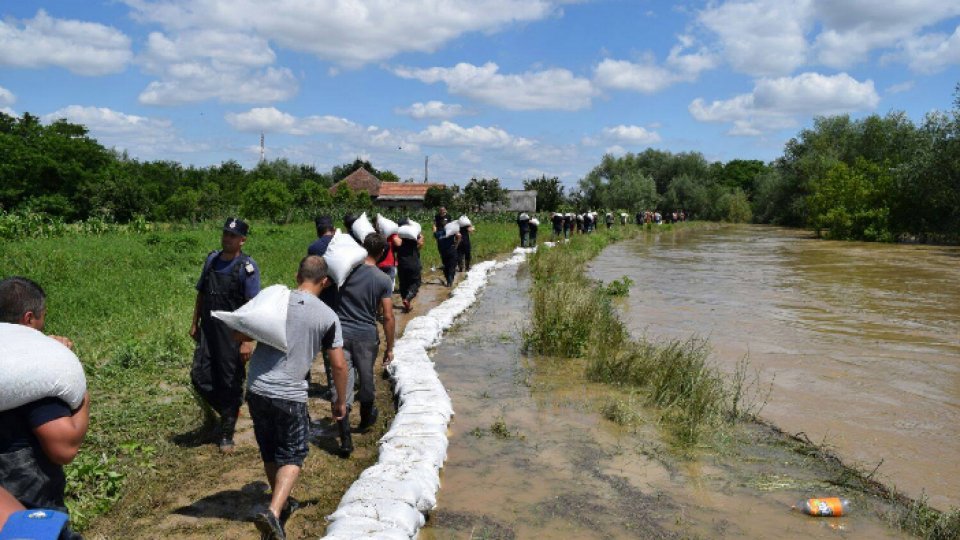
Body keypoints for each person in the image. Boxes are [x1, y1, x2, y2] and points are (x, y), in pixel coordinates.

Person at [244, 256, 348, 540]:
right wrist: (339, 401)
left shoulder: (275, 301)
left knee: (269, 447)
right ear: (325, 282)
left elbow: (243, 330)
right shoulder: (327, 316)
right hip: (288, 393)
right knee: (293, 452)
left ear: (296, 275)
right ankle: (274, 511)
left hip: (257, 388)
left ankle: (283, 502)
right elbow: (338, 364)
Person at [0, 277, 89, 538]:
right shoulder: (34, 369)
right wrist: (84, 395)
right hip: (27, 503)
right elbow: (64, 447)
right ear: (29, 318)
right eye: (42, 317)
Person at [189, 217, 260, 453]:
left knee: (230, 380)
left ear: (242, 240)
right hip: (209, 329)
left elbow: (252, 307)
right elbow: (201, 293)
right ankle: (230, 410)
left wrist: (246, 342)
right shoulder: (212, 260)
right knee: (199, 375)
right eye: (225, 234)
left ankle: (227, 433)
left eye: (232, 236)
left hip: (233, 334)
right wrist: (195, 323)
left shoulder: (246, 268)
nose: (227, 238)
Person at [333, 233, 395, 455]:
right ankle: (366, 420)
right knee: (366, 381)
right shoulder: (382, 279)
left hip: (340, 335)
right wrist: (389, 346)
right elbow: (387, 315)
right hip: (366, 337)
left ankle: (345, 441)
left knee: (341, 385)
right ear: (382, 253)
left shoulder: (346, 271)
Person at [395, 218, 424, 313]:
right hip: (413, 262)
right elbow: (420, 243)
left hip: (401, 263)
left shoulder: (397, 237)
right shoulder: (414, 236)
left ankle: (406, 304)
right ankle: (408, 299)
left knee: (403, 283)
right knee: (416, 282)